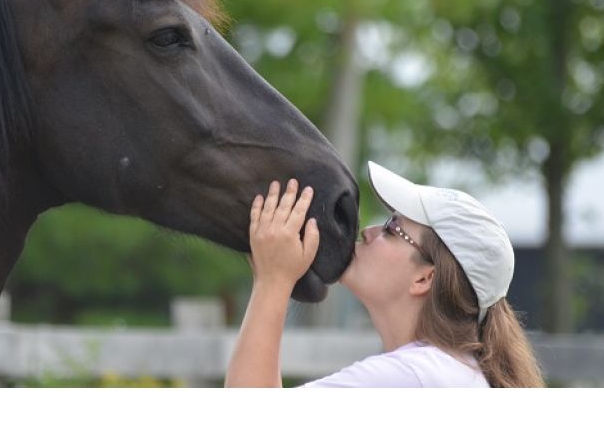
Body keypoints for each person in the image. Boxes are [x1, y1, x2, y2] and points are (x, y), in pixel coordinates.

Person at [224, 161, 545, 388]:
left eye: (393, 229)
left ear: (424, 278)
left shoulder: (415, 376)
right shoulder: (452, 372)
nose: (368, 231)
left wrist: (273, 281)